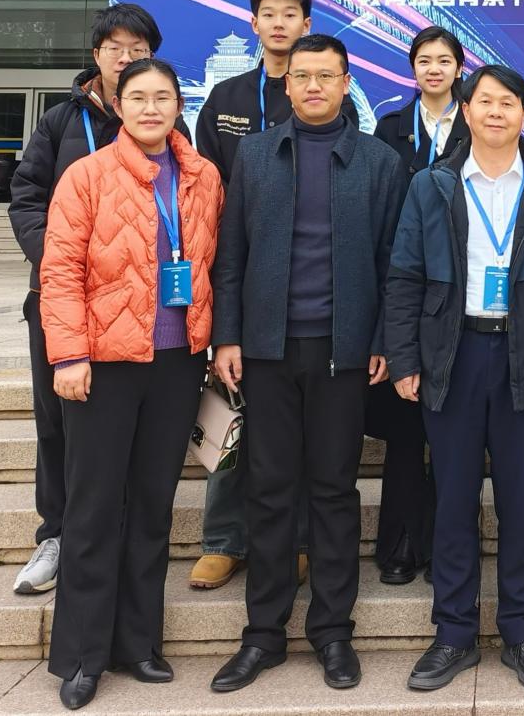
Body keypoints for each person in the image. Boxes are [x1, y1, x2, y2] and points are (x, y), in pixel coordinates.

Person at [207, 35, 404, 694]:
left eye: (326, 76)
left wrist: (382, 337)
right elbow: (231, 254)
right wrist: (227, 337)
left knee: (333, 490)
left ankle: (332, 631)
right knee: (268, 491)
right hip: (266, 350)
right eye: (302, 76)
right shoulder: (256, 155)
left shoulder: (379, 161)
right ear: (285, 84)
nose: (313, 86)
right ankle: (262, 634)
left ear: (346, 84)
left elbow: (394, 263)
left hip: (343, 352)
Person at [385, 65, 524, 693]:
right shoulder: (433, 184)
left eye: (508, 103)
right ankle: (453, 634)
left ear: (523, 114)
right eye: (485, 102)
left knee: (519, 501)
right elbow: (404, 276)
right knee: (452, 499)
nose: (496, 112)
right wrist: (405, 359)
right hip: (453, 352)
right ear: (466, 110)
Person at [40, 58, 224, 710]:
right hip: (105, 363)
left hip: (177, 364)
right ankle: (82, 655)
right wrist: (68, 355)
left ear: (179, 106)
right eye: (137, 97)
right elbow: (60, 270)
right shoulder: (86, 175)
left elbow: (214, 263)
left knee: (151, 506)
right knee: (93, 508)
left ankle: (139, 643)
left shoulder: (203, 177)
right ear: (118, 106)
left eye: (162, 97)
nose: (150, 108)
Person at [8, 3, 180, 597]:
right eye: (115, 48)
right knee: (58, 421)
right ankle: (56, 534)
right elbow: (27, 196)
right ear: (97, 55)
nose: (126, 58)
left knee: (129, 435)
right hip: (63, 299)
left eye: (139, 50)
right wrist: (63, 258)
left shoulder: (168, 127)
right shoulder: (62, 121)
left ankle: (119, 537)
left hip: (140, 311)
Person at [190, 0, 349, 591]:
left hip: (307, 288)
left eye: (290, 14)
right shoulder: (226, 96)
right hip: (242, 270)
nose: (278, 23)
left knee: (300, 438)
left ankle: (298, 541)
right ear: (253, 23)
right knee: (233, 414)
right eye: (268, 14)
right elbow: (205, 185)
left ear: (307, 24)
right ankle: (224, 539)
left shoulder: (324, 96)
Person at [369, 26, 472, 585]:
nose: (434, 69)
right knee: (407, 434)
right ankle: (401, 544)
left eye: (444, 60)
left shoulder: (477, 124)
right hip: (405, 282)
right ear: (412, 69)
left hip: (462, 290)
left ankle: (445, 549)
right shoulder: (390, 127)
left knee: (455, 439)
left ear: (459, 68)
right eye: (424, 60)